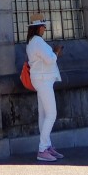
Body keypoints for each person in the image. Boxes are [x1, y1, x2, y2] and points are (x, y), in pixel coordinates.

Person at [26, 17, 63, 162]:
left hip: (40, 79)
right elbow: (49, 59)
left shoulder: (32, 42)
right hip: (43, 80)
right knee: (52, 114)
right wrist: (56, 52)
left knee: (43, 114)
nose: (45, 28)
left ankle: (47, 145)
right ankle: (42, 148)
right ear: (37, 27)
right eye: (43, 26)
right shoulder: (37, 41)